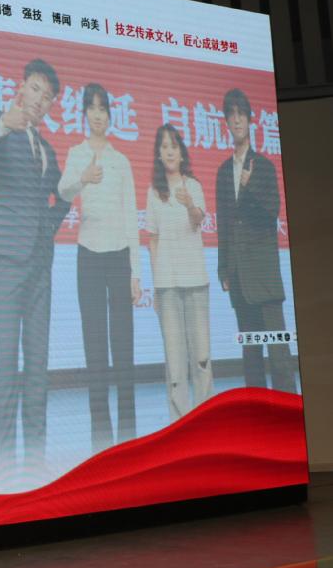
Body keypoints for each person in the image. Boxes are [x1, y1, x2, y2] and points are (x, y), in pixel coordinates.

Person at [0, 58, 71, 470]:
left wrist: (50, 225)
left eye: (47, 96)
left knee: (38, 365)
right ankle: (2, 466)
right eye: (35, 89)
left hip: (40, 265)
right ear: (21, 87)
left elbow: (62, 195)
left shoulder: (48, 151)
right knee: (7, 362)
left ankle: (36, 463)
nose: (40, 100)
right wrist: (7, 121)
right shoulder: (2, 124)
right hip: (8, 261)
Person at [58, 83, 141, 453]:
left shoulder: (121, 161)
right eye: (91, 108)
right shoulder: (77, 154)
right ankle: (101, 443)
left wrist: (136, 273)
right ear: (84, 114)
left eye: (102, 108)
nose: (97, 114)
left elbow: (130, 216)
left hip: (119, 255)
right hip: (88, 254)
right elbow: (63, 191)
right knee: (94, 345)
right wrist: (83, 179)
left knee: (123, 344)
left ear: (110, 115)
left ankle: (129, 437)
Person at [214, 88, 294, 392]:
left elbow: (272, 212)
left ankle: (289, 414)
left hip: (263, 274)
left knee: (279, 356)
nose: (236, 120)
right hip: (238, 274)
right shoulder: (223, 172)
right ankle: (258, 415)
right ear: (226, 121)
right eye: (231, 115)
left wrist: (249, 187)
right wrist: (223, 269)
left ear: (250, 120)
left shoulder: (264, 166)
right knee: (251, 357)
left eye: (241, 114)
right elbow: (223, 222)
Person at [145, 124, 212, 420]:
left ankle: (205, 420)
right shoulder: (153, 192)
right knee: (175, 361)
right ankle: (180, 424)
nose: (169, 151)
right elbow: (153, 240)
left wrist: (189, 205)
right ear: (159, 155)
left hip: (196, 281)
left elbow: (197, 221)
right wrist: (156, 286)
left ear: (182, 153)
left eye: (174, 146)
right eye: (164, 147)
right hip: (167, 286)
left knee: (201, 357)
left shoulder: (193, 186)